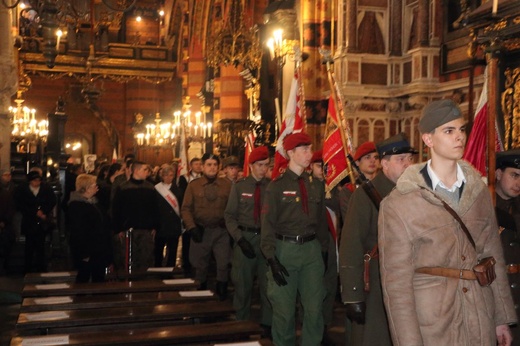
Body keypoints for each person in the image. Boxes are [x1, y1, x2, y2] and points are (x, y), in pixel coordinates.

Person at [378, 99, 517, 345]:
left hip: (479, 315)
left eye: (461, 129)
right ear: (428, 139)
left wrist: (501, 318)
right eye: (448, 131)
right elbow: (396, 286)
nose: (459, 137)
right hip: (433, 322)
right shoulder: (400, 203)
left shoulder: (478, 191)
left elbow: (492, 255)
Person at [339, 133, 417, 346]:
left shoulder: (414, 193)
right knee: (375, 338)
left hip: (410, 281)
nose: (408, 164)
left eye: (410, 159)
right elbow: (351, 245)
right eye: (401, 159)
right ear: (384, 163)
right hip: (374, 282)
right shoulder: (364, 196)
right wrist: (353, 295)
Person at [261, 132, 329, 346]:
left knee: (314, 308)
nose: (310, 154)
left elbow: (321, 224)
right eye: (305, 149)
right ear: (291, 153)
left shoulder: (316, 184)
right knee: (284, 311)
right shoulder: (276, 186)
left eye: (310, 149)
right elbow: (267, 225)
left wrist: (323, 252)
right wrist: (271, 258)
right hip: (284, 250)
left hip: (311, 250)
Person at [224, 146, 272, 334]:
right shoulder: (240, 186)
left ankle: (267, 324)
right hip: (245, 238)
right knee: (242, 285)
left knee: (268, 285)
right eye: (260, 165)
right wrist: (239, 239)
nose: (263, 169)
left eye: (266, 165)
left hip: (266, 240)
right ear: (251, 165)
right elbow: (229, 216)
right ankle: (240, 323)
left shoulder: (271, 187)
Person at [181, 153, 232, 300]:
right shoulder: (193, 186)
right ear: (202, 167)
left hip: (221, 231)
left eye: (215, 165)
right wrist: (191, 227)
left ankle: (221, 297)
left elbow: (233, 208)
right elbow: (185, 209)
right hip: (201, 231)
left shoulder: (227, 185)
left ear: (219, 167)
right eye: (209, 164)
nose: (212, 168)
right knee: (199, 266)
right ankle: (200, 297)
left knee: (223, 264)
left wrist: (228, 223)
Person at [309, 149, 340, 344]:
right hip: (313, 245)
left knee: (329, 287)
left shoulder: (335, 188)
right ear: (311, 167)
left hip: (332, 244)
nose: (323, 170)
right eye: (320, 166)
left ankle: (325, 326)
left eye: (327, 166)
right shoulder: (307, 187)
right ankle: (312, 328)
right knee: (313, 291)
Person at [111, 161, 160, 273]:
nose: (147, 172)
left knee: (146, 258)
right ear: (137, 171)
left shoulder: (150, 187)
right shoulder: (123, 188)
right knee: (127, 258)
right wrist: (118, 229)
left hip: (146, 229)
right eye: (145, 170)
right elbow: (116, 209)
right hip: (128, 229)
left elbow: (155, 208)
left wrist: (155, 226)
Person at [495, 149, 520, 341]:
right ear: (498, 174)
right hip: (497, 299)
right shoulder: (482, 207)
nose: (519, 183)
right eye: (514, 175)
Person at [67, 174, 112, 283]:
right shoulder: (76, 205)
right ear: (86, 188)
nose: (96, 187)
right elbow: (78, 231)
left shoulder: (94, 202)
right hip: (87, 249)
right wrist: (84, 253)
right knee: (83, 277)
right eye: (93, 185)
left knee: (98, 278)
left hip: (98, 248)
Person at [14, 171, 56, 273]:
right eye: (34, 180)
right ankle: (27, 268)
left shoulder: (46, 189)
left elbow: (52, 201)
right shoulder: (22, 190)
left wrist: (44, 211)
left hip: (41, 222)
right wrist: (34, 212)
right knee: (29, 246)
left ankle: (40, 267)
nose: (37, 183)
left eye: (38, 180)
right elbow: (19, 204)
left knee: (40, 246)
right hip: (29, 221)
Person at [338, 141, 379, 222]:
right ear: (357, 162)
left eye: (376, 157)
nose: (373, 160)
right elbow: (349, 219)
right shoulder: (348, 190)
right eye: (367, 157)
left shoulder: (382, 185)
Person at [154, 164, 184, 267]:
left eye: (171, 175)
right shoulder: (156, 189)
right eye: (166, 175)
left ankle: (170, 269)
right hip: (160, 225)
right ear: (162, 176)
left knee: (172, 250)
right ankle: (158, 269)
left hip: (173, 224)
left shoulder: (178, 190)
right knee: (158, 249)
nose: (168, 178)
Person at [178, 157, 202, 276]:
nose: (198, 166)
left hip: (200, 214)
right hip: (189, 212)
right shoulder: (184, 178)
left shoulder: (203, 178)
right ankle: (186, 264)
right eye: (195, 164)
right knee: (187, 240)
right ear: (190, 166)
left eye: (199, 164)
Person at [0, 169, 16, 275]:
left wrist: (5, 220)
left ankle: (6, 266)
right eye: (6, 175)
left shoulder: (13, 188)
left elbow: (12, 207)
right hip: (3, 219)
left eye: (9, 175)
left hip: (7, 221)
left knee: (7, 245)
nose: (8, 177)